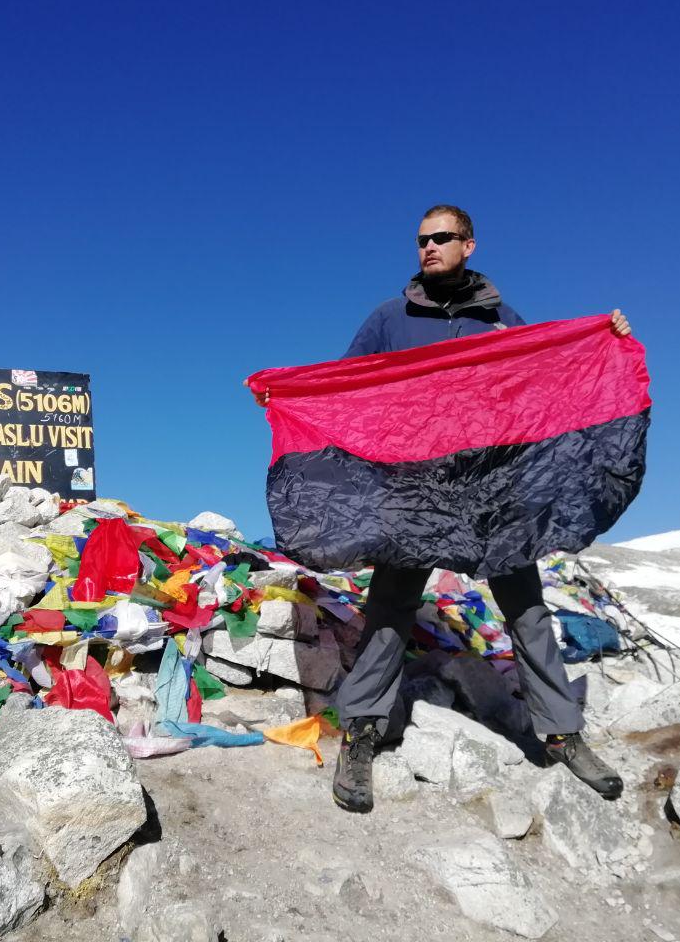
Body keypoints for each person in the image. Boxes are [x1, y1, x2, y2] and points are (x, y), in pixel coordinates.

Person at [252, 204, 632, 813]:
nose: (427, 248)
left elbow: (547, 381)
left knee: (527, 608)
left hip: (491, 491)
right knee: (390, 607)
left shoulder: (502, 321)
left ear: (470, 244)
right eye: (421, 240)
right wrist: (292, 395)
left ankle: (562, 734)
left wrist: (602, 341)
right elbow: (347, 386)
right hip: (415, 494)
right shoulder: (390, 319)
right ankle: (363, 731)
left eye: (441, 238)